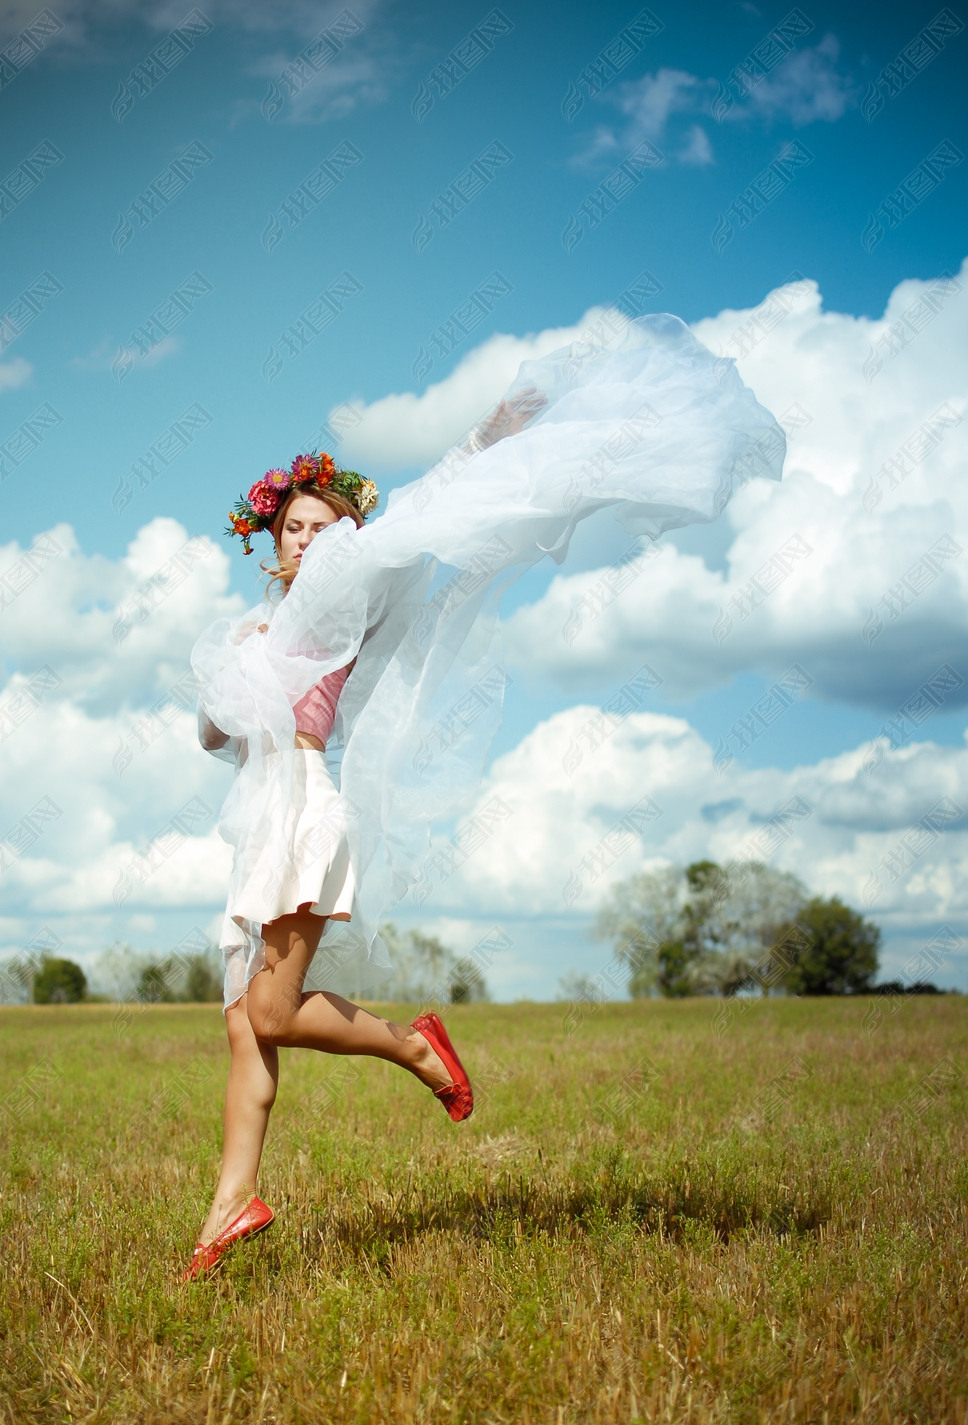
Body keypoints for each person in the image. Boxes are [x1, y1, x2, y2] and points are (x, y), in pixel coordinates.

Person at [184, 312, 786, 1280]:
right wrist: (229, 679)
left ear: (347, 537)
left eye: (321, 524)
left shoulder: (347, 582)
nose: (304, 538)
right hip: (257, 809)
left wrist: (493, 430)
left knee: (270, 1011)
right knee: (241, 1022)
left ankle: (415, 1046)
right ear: (268, 539)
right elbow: (215, 734)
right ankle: (225, 1213)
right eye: (291, 526)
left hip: (300, 802)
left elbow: (436, 502)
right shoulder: (261, 621)